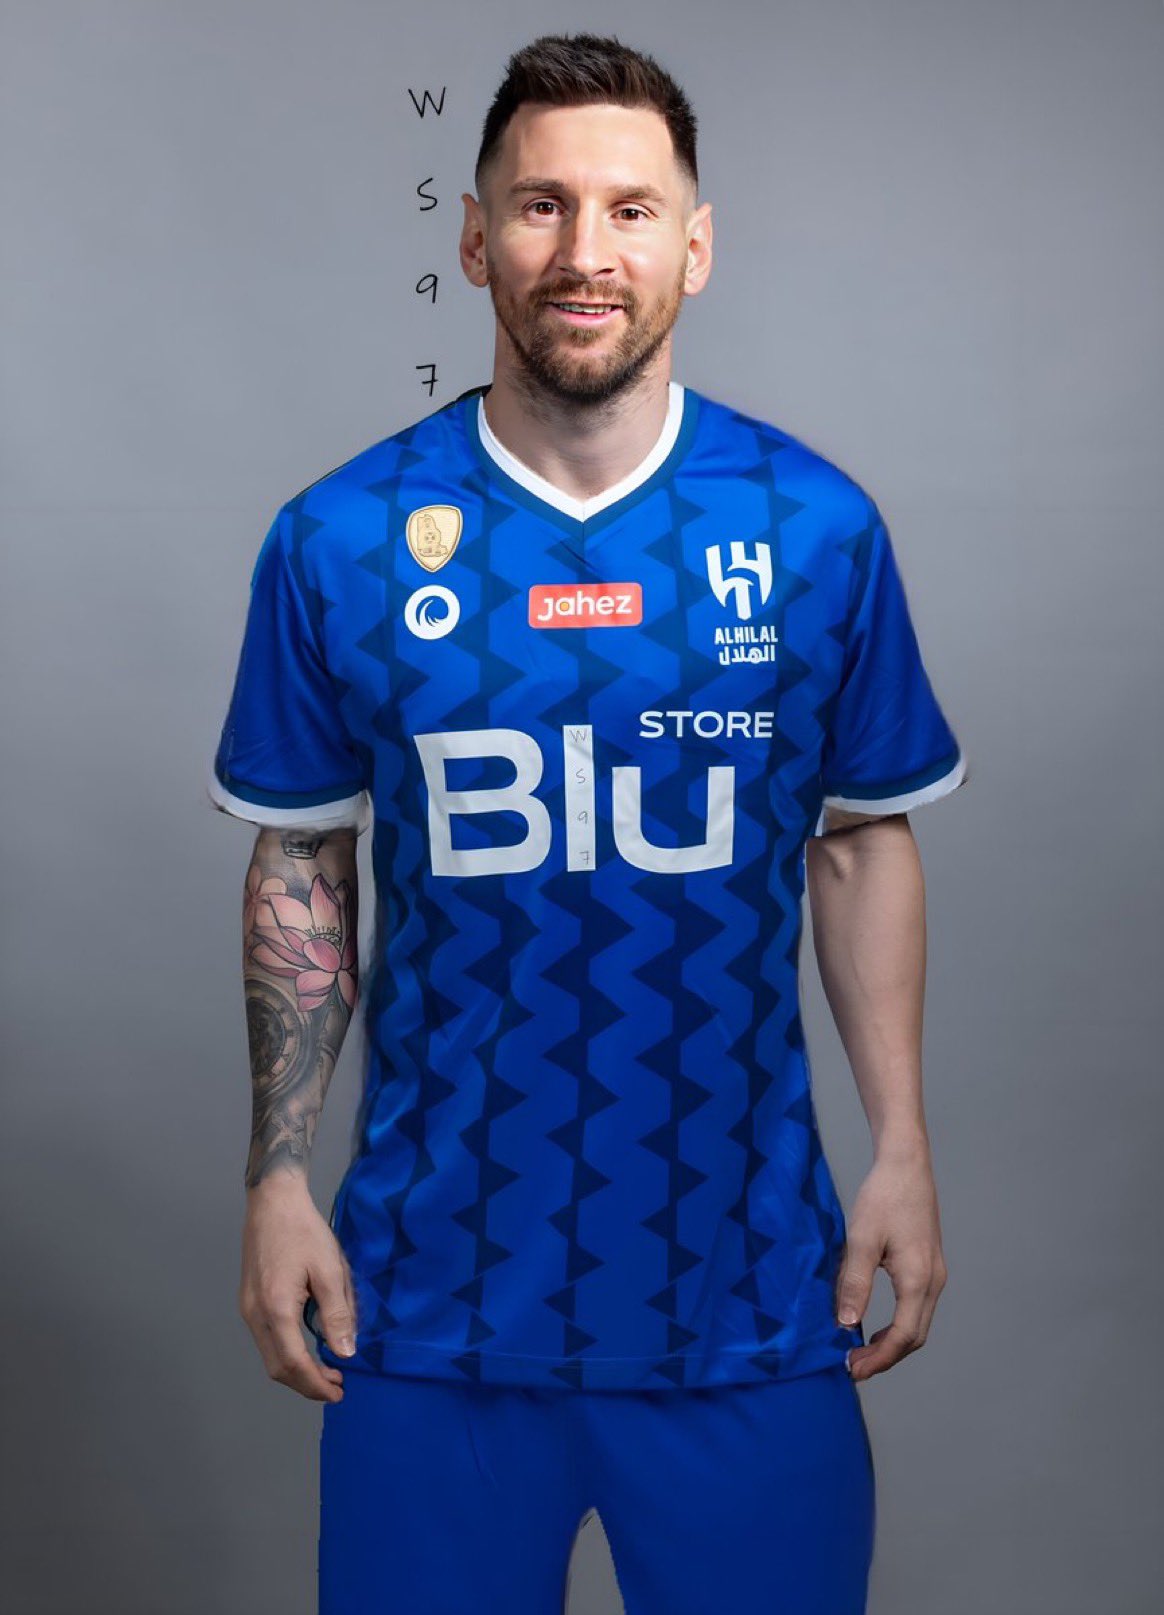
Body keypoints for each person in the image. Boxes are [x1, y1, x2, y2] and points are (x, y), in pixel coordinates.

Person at [208, 30, 968, 1615]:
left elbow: (856, 840)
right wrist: (278, 1178)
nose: (584, 251)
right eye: (541, 205)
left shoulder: (815, 527)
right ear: (476, 237)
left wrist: (901, 1148)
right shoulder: (342, 537)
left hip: (750, 1298)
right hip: (426, 1310)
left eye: (631, 209)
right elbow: (306, 857)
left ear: (698, 243)